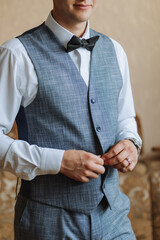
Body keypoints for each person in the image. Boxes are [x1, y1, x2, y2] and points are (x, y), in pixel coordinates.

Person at [0, 0, 142, 239]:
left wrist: (131, 143)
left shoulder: (115, 50)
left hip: (114, 219)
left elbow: (125, 119)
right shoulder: (16, 53)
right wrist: (58, 161)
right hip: (47, 223)